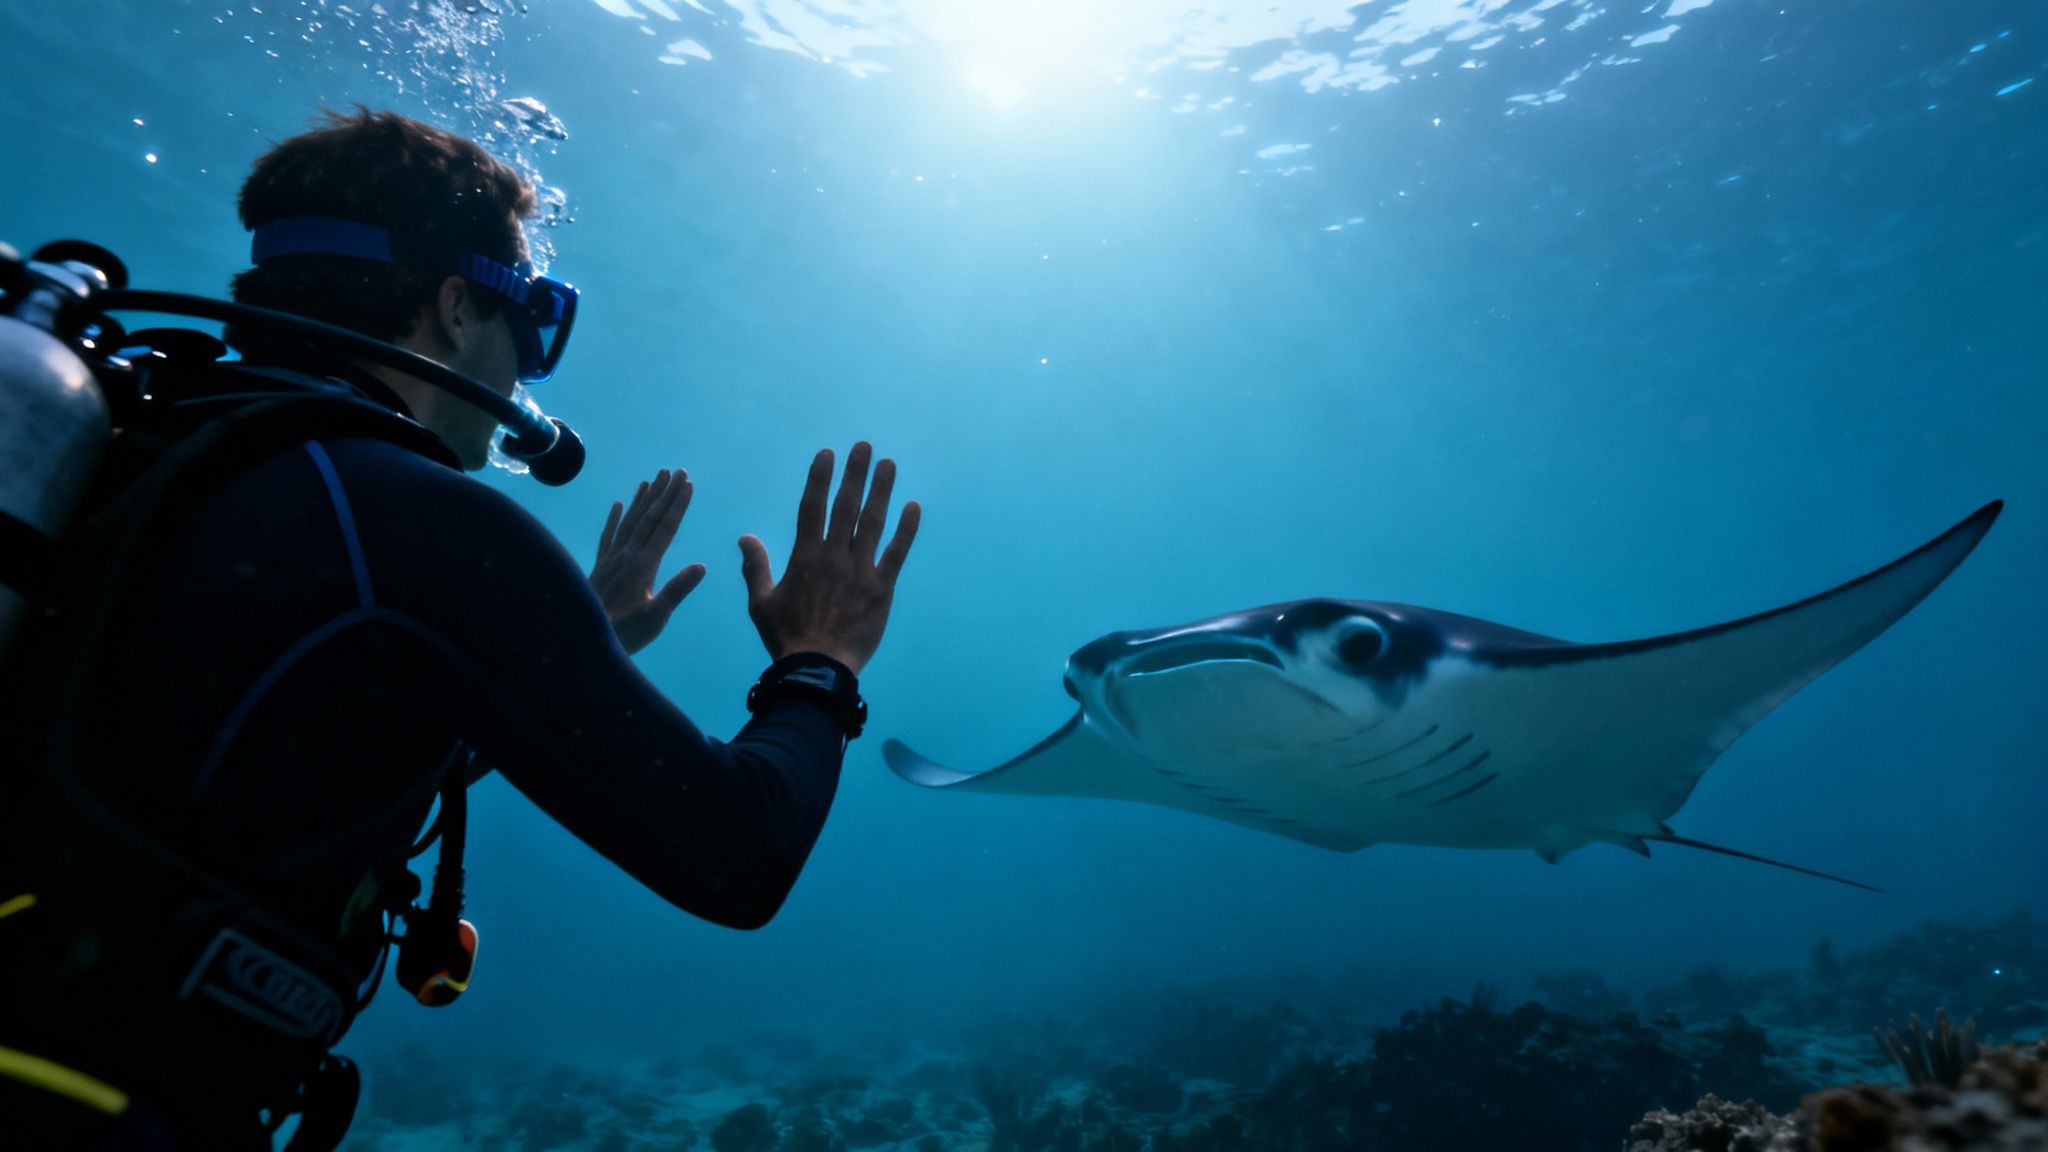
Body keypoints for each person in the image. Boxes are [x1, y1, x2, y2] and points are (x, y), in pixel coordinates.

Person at [0, 108, 920, 1150]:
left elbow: (235, 765)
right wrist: (819, 661)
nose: (525, 373)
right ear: (449, 307)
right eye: (526, 323)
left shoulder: (155, 453)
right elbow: (736, 857)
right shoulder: (427, 524)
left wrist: (578, 655)